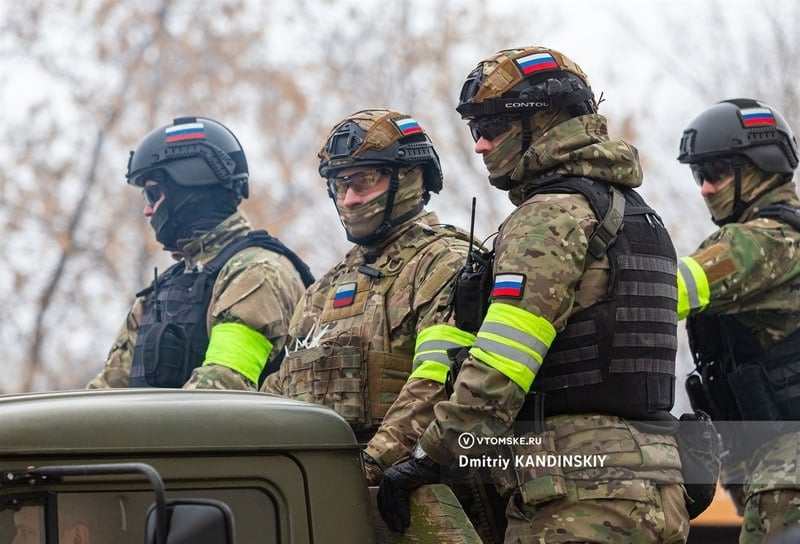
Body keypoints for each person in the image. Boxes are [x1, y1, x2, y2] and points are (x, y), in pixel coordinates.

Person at [377, 46, 691, 543]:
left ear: (543, 121)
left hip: (578, 494)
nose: (479, 146)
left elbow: (503, 361)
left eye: (491, 127)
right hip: (655, 483)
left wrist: (429, 456)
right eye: (474, 130)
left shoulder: (548, 216)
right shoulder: (637, 214)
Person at [260, 108, 475, 483]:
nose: (349, 200)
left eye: (364, 182)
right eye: (340, 185)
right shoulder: (325, 288)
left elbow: (438, 381)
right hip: (322, 484)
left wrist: (373, 464)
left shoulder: (444, 262)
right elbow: (279, 391)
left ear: (408, 178)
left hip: (414, 486)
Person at [88, 116, 313, 390]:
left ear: (191, 188)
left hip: (221, 434)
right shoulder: (159, 293)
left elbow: (221, 388)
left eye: (153, 195)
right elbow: (106, 392)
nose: (148, 210)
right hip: (161, 433)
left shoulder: (258, 274)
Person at [676, 98, 800, 544]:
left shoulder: (768, 241)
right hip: (765, 457)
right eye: (698, 176)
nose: (705, 188)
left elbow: (672, 289)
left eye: (715, 173)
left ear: (760, 168)